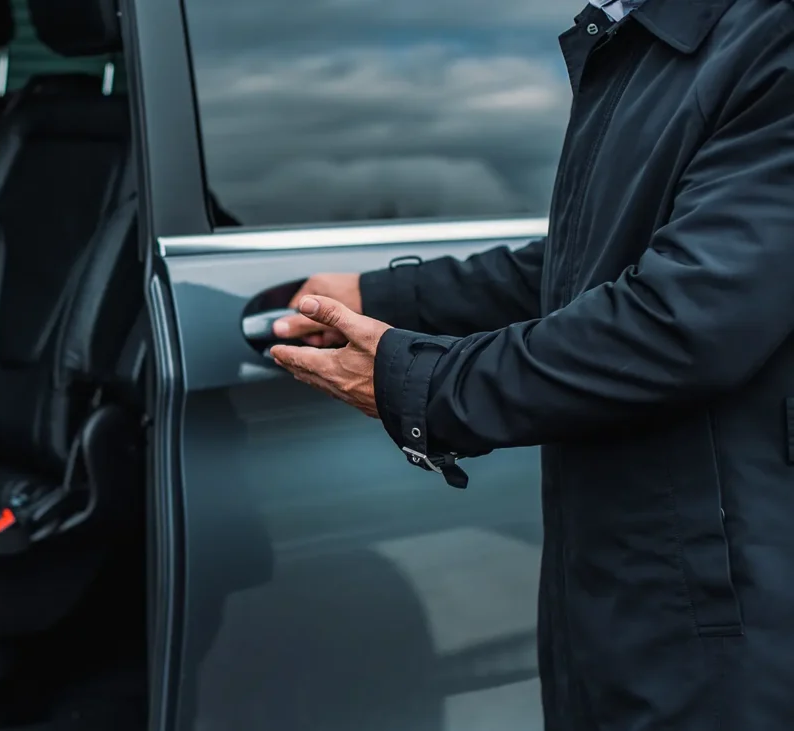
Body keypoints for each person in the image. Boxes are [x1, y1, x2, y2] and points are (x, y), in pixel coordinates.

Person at [268, 0, 794, 729]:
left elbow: (679, 322)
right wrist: (388, 295)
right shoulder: (640, 44)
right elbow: (586, 258)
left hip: (716, 599)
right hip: (625, 584)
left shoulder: (769, 37)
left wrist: (414, 380)